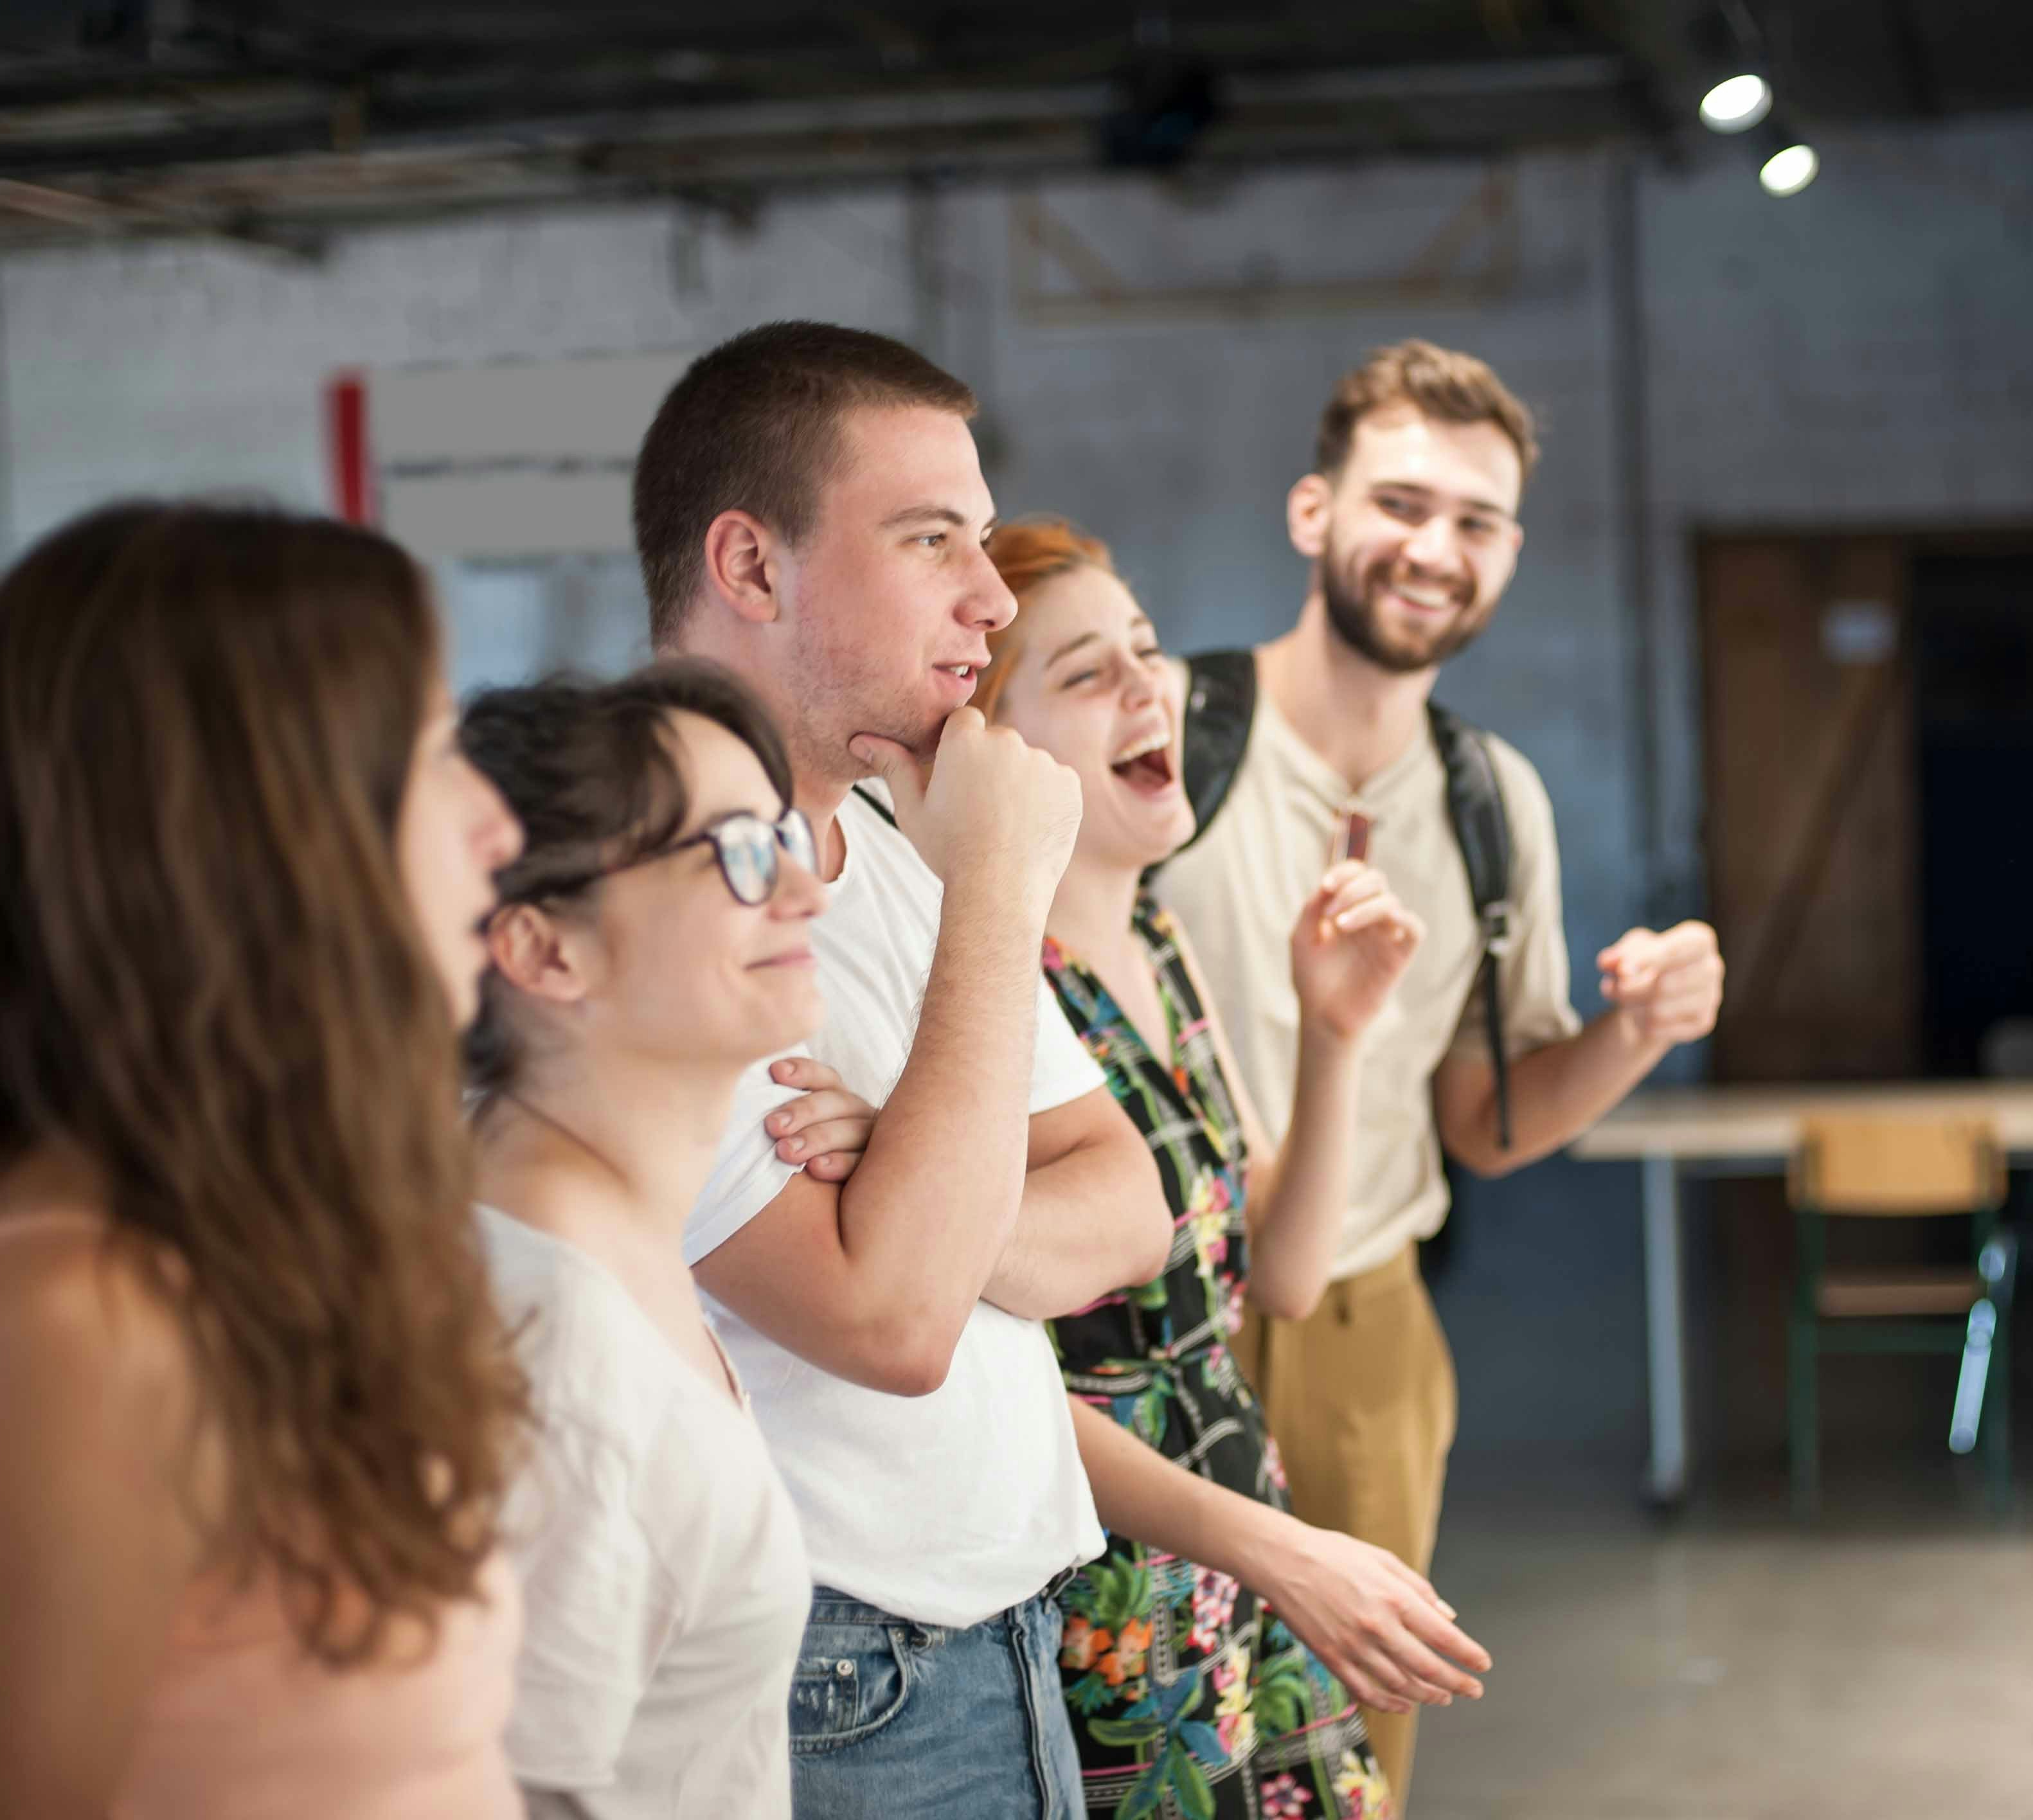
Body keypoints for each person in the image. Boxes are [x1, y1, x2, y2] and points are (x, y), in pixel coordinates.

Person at [634, 321, 1487, 1820]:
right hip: (841, 1673)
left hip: (1003, 1633)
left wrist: (907, 1179)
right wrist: (999, 897)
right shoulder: (663, 880)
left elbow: (1128, 1205)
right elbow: (892, 1321)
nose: (982, 595)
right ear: (753, 570)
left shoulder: (892, 866)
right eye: (929, 541)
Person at [0, 501, 531, 1818]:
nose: (499, 828)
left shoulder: (264, 1232)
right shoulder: (66, 1311)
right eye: (439, 749)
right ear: (263, 835)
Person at [1149, 340, 1728, 1803]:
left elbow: (1491, 1123)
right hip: (1137, 1325)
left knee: (1345, 1764)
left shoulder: (1491, 800)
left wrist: (1639, 1032)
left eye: (1476, 523)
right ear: (1311, 512)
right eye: (1401, 503)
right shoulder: (1163, 736)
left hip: (1366, 1328)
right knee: (1134, 1742)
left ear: (1511, 554)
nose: (1435, 550)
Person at [975, 516, 1429, 1820]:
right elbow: (991, 1381)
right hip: (1108, 1621)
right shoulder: (988, 995)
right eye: (1083, 673)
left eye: (1147, 649)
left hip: (1239, 1571)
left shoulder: (1160, 943)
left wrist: (1334, 1037)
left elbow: (1273, 1279)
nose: (1147, 687)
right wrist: (1279, 1550)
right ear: (991, 751)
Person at [460, 664, 879, 1817]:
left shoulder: (598, 1253)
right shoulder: (552, 1353)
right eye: (740, 852)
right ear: (547, 952)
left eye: (785, 838)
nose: (806, 890)